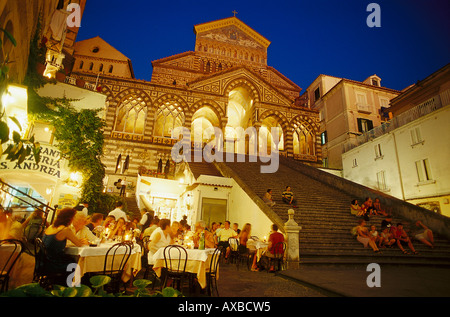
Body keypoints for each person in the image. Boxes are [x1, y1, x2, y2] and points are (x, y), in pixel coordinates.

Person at [41, 208, 89, 274]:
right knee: (77, 264)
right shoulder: (65, 230)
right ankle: (69, 283)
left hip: (43, 261)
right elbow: (79, 244)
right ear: (70, 219)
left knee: (70, 259)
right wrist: (85, 242)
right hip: (54, 263)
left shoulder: (51, 227)